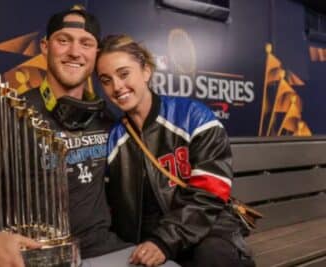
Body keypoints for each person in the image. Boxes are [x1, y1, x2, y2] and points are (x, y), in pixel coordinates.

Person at [0, 8, 180, 267]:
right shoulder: (10, 112)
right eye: (63, 40)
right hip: (39, 256)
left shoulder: (108, 119)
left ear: (96, 54)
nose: (75, 52)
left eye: (86, 43)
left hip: (104, 250)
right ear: (45, 47)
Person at [96, 34, 256, 267]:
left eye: (123, 74)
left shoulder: (193, 117)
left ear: (146, 71)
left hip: (205, 230)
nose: (117, 87)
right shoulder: (113, 139)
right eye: (106, 80)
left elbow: (210, 194)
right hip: (149, 242)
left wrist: (164, 241)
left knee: (211, 257)